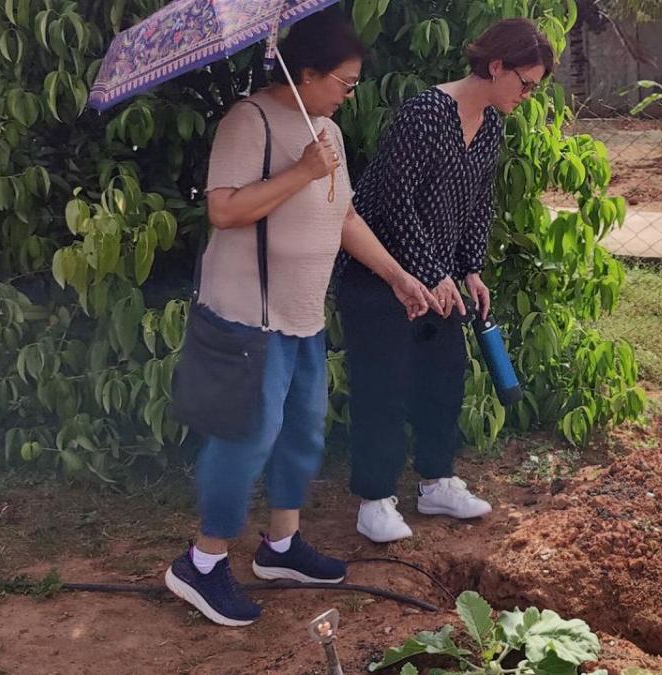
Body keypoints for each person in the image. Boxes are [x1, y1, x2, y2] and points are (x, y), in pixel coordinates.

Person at [164, 9, 438, 626]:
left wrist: (398, 276)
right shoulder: (249, 121)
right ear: (306, 72)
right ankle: (201, 564)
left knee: (302, 433)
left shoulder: (328, 132)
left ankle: (280, 547)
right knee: (245, 438)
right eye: (343, 82)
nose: (348, 95)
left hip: (302, 317)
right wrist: (300, 172)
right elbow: (225, 211)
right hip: (247, 319)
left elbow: (341, 216)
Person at [338, 19, 554, 543]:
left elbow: (477, 205)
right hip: (378, 274)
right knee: (383, 385)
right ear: (496, 65)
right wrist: (430, 271)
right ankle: (375, 500)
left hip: (440, 279)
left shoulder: (492, 125)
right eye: (525, 84)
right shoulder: (426, 113)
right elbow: (393, 202)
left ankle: (436, 482)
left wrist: (469, 269)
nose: (527, 96)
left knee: (444, 376)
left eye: (535, 89)